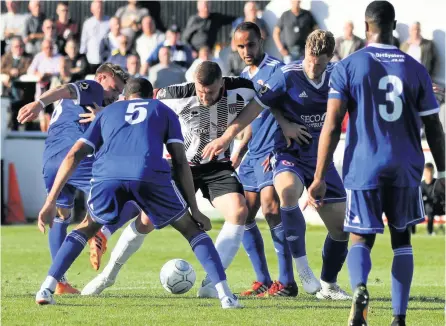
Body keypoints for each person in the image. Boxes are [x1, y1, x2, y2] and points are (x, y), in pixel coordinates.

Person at [35, 77, 242, 310]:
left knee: (86, 227)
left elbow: (74, 154)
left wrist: (50, 200)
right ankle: (226, 297)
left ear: (126, 95)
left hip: (108, 176)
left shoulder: (108, 111)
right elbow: (180, 161)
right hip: (149, 174)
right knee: (191, 229)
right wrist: (195, 209)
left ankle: (47, 287)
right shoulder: (161, 109)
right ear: (150, 95)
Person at [305, 2, 445, 325]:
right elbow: (434, 128)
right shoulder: (415, 68)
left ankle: (360, 291)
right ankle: (398, 317)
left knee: (360, 238)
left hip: (364, 166)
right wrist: (442, 172)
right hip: (405, 166)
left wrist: (319, 176)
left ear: (366, 28)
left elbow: (332, 123)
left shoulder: (348, 67)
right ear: (394, 26)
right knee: (402, 240)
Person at [81, 62, 253, 299]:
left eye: (210, 92)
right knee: (146, 220)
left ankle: (212, 283)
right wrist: (107, 113)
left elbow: (268, 100)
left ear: (222, 83)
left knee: (239, 211)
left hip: (216, 166)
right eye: (200, 91)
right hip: (177, 165)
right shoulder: (174, 94)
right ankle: (107, 276)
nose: (204, 97)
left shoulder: (243, 89)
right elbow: (138, 101)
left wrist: (237, 136)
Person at [201, 30, 352, 300]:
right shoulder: (287, 74)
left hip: (321, 159)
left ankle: (328, 284)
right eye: (309, 60)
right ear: (305, 52)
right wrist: (226, 139)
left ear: (330, 59)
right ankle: (302, 269)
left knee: (341, 231)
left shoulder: (338, 75)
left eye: (320, 63)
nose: (313, 67)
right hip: (288, 154)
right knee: (286, 194)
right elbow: (256, 109)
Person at [17, 63, 132, 275]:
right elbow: (67, 88)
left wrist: (106, 113)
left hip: (50, 161)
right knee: (128, 197)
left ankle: (58, 281)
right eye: (114, 88)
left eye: (119, 92)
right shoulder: (93, 88)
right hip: (77, 159)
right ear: (101, 78)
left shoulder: (90, 104)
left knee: (61, 216)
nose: (115, 95)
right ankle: (101, 233)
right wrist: (39, 103)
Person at [230, 22, 297, 297]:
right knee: (244, 213)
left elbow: (286, 110)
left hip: (273, 152)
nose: (246, 50)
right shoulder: (244, 77)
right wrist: (238, 152)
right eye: (241, 46)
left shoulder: (277, 69)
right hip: (252, 153)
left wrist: (281, 147)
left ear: (261, 40)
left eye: (251, 44)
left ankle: (287, 282)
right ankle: (263, 280)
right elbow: (251, 121)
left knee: (271, 209)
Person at [80, 0, 110, 73]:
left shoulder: (109, 21)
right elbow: (84, 41)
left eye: (101, 8)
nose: (99, 10)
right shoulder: (87, 23)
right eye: (97, 8)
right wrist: (82, 56)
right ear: (92, 10)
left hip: (106, 58)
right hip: (90, 58)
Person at [421, 163, 444, 235]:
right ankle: (414, 231)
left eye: (430, 172)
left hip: (438, 207)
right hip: (426, 208)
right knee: (427, 207)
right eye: (427, 172)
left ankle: (430, 231)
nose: (429, 174)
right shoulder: (422, 185)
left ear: (433, 172)